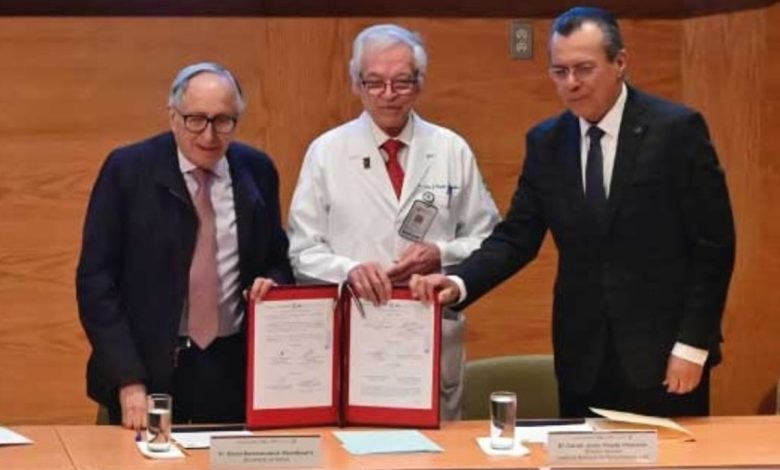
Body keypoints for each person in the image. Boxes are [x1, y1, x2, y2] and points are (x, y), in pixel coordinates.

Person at [410, 7, 735, 418]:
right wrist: (459, 282)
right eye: (559, 71)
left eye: (584, 69)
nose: (571, 83)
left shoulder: (676, 130)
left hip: (666, 356)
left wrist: (693, 344)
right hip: (583, 358)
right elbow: (516, 238)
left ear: (620, 63)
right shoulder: (547, 141)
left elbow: (714, 247)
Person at [285, 24, 500, 420]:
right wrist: (350, 270)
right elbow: (302, 252)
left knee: (435, 445)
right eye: (375, 82)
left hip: (429, 326)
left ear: (419, 84)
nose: (388, 94)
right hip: (356, 326)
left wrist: (441, 254)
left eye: (401, 82)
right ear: (356, 83)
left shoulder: (450, 149)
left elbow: (489, 240)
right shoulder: (326, 152)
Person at [76, 62, 293, 428]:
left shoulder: (257, 171)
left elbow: (278, 260)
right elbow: (96, 284)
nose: (209, 135)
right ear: (173, 116)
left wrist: (273, 281)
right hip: (146, 374)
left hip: (230, 375)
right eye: (196, 119)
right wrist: (128, 379)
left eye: (223, 121)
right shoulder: (127, 170)